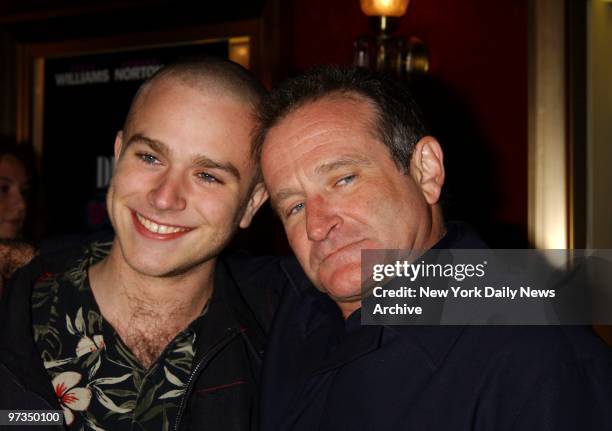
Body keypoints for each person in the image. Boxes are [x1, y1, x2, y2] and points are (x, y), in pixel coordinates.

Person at [254, 65, 612, 430]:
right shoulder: (282, 320)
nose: (317, 225)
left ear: (426, 171)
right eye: (294, 206)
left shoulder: (537, 362)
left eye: (344, 180)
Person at [0, 57, 282, 430]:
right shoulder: (14, 302)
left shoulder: (286, 319)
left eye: (207, 176)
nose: (165, 198)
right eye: (150, 157)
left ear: (251, 203)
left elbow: (382, 283)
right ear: (118, 155)